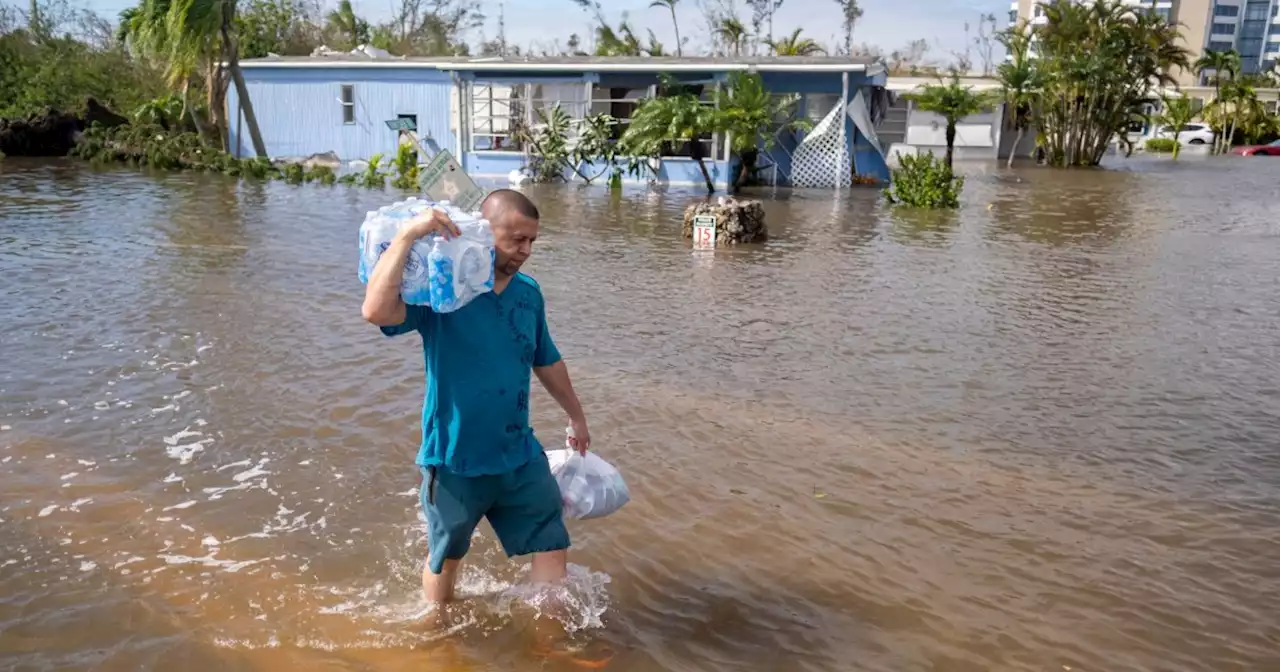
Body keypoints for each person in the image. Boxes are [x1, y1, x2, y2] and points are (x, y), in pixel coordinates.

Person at [360, 189, 590, 604]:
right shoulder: (443, 291)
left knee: (552, 544)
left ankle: (553, 649)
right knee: (446, 559)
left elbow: (546, 359)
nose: (526, 250)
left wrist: (576, 416)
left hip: (519, 453)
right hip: (454, 459)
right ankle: (438, 642)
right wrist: (409, 235)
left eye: (532, 241)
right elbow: (376, 310)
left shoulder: (528, 294)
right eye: (515, 239)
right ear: (483, 233)